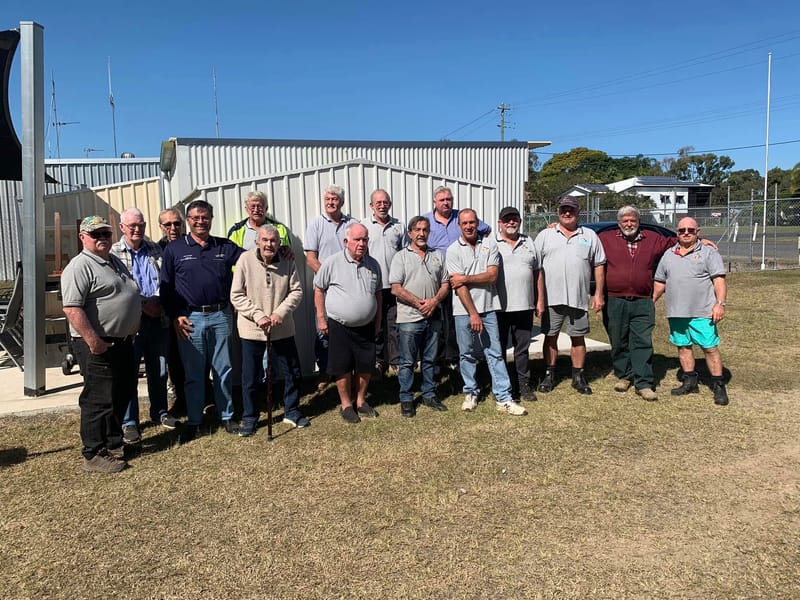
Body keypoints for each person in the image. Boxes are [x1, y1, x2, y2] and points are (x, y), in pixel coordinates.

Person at [598, 206, 718, 401]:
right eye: (625, 221)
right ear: (619, 223)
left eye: (633, 220)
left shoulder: (652, 238)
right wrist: (554, 227)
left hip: (643, 299)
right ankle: (624, 375)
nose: (629, 224)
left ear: (638, 222)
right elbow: (583, 239)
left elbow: (677, 239)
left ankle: (643, 382)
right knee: (618, 339)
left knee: (642, 341)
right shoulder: (605, 238)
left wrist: (700, 240)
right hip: (615, 298)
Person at [61, 215, 141, 473]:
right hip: (98, 344)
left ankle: (112, 443)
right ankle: (93, 453)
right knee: (98, 399)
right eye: (96, 234)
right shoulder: (79, 266)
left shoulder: (113, 261)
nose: (102, 238)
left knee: (121, 393)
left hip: (122, 342)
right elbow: (72, 308)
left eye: (106, 233)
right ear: (83, 237)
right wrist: (94, 342)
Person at [160, 200, 242, 442]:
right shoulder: (174, 249)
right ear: (188, 220)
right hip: (190, 318)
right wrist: (176, 315)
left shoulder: (224, 246)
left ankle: (227, 416)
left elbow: (252, 260)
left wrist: (279, 251)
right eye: (195, 218)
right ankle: (195, 420)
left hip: (220, 315)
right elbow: (166, 289)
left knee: (223, 370)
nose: (200, 221)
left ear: (211, 218)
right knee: (194, 373)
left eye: (204, 217)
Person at [446, 209, 526, 416]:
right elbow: (458, 285)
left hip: (489, 308)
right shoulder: (453, 250)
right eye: (464, 223)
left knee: (494, 353)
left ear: (477, 223)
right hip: (463, 311)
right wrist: (473, 313)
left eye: (472, 222)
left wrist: (466, 278)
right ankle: (471, 392)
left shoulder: (489, 244)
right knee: (467, 354)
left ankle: (503, 397)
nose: (469, 226)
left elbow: (491, 276)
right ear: (459, 226)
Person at [230, 225, 307, 436]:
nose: (269, 244)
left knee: (292, 371)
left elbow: (296, 291)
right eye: (264, 240)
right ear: (257, 242)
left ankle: (291, 410)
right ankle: (250, 418)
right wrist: (258, 315)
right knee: (251, 377)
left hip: (281, 327)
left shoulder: (287, 260)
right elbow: (236, 295)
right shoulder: (245, 260)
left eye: (273, 240)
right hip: (252, 329)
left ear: (279, 243)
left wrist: (279, 313)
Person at [110, 208, 178, 444]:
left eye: (141, 225)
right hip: (131, 323)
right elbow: (118, 289)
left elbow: (165, 279)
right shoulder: (114, 253)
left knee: (158, 369)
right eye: (132, 226)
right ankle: (130, 423)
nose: (137, 229)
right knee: (128, 373)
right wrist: (142, 305)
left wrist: (158, 302)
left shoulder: (155, 249)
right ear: (122, 228)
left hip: (158, 319)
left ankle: (159, 411)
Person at [533, 195, 606, 395]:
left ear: (578, 212)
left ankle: (578, 376)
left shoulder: (589, 235)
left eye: (571, 209)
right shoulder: (545, 235)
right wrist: (539, 298)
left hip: (579, 297)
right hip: (551, 298)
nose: (567, 213)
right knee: (550, 336)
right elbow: (536, 268)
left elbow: (599, 265)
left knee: (578, 337)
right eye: (564, 209)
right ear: (558, 212)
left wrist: (598, 293)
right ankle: (549, 374)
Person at [652, 217, 729, 406]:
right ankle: (690, 382)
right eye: (681, 230)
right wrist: (650, 301)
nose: (686, 233)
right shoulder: (669, 254)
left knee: (709, 348)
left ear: (698, 232)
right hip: (677, 312)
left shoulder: (708, 253)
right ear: (677, 233)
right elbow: (660, 282)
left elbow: (718, 280)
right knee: (683, 346)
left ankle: (718, 385)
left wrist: (720, 304)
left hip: (703, 312)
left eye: (690, 230)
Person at [314, 222, 382, 424]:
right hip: (339, 325)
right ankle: (346, 405)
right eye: (357, 239)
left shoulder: (373, 264)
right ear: (346, 241)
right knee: (341, 366)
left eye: (365, 240)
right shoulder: (332, 262)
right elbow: (318, 288)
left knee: (365, 366)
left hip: (366, 326)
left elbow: (378, 294)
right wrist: (320, 317)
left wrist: (377, 321)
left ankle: (361, 401)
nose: (362, 244)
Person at [423, 186, 491, 371]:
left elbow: (486, 229)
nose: (446, 202)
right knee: (437, 322)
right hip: (436, 280)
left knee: (454, 321)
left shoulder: (460, 218)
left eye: (449, 199)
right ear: (434, 202)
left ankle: (453, 357)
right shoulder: (427, 220)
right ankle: (435, 359)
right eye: (442, 200)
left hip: (459, 279)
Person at [389, 215, 450, 417]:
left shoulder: (437, 255)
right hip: (409, 318)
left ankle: (429, 394)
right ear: (410, 233)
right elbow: (396, 288)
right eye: (417, 230)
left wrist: (434, 302)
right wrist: (419, 303)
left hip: (433, 316)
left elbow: (445, 284)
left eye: (425, 230)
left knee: (430, 359)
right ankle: (406, 398)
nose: (421, 233)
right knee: (407, 361)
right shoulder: (401, 257)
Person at [490, 206, 539, 402]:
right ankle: (502, 387)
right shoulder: (491, 243)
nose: (511, 222)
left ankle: (523, 385)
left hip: (524, 305)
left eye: (514, 219)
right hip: (499, 306)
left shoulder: (529, 242)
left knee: (522, 348)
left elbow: (538, 272)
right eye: (507, 219)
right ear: (499, 223)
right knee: (499, 348)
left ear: (519, 221)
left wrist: (540, 299)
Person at [304, 184, 353, 380]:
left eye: (334, 199)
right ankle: (326, 373)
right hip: (324, 288)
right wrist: (330, 278)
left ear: (341, 202)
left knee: (347, 330)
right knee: (323, 330)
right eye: (327, 200)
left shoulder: (351, 224)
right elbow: (310, 258)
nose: (330, 203)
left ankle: (347, 370)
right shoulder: (316, 224)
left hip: (348, 288)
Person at [361, 189, 406, 377]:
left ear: (390, 204)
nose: (382, 205)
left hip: (394, 285)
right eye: (378, 202)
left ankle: (395, 361)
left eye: (385, 202)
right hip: (372, 286)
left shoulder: (399, 227)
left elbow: (405, 255)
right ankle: (378, 361)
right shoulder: (363, 226)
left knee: (394, 324)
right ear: (371, 205)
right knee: (375, 325)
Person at [157, 208, 187, 415]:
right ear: (161, 227)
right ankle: (181, 400)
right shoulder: (154, 249)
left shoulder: (190, 244)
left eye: (176, 223)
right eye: (167, 224)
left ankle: (205, 397)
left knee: (197, 358)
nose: (173, 228)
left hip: (189, 310)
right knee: (173, 359)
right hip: (166, 314)